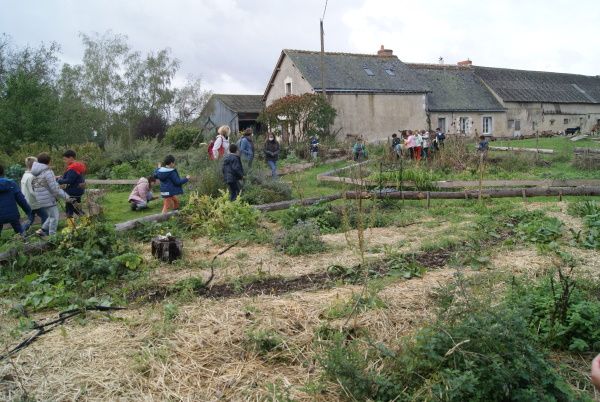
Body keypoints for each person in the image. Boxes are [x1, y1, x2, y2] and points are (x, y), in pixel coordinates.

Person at [31, 153, 69, 236]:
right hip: (48, 198)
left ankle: (42, 230)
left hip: (41, 198)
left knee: (52, 215)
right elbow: (55, 188)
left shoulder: (36, 171)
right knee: (54, 217)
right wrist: (67, 197)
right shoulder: (48, 171)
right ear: (49, 161)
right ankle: (52, 236)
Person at [0, 164, 32, 237]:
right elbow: (21, 200)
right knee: (20, 232)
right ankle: (25, 244)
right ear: (3, 172)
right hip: (12, 215)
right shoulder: (11, 183)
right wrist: (28, 211)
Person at [21, 156, 48, 231]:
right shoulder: (32, 177)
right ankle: (45, 233)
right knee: (45, 217)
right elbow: (33, 191)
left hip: (27, 201)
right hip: (35, 203)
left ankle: (20, 232)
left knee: (30, 219)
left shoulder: (25, 175)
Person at [57, 149, 86, 218]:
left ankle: (71, 226)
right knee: (77, 208)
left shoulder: (73, 167)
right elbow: (74, 178)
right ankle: (86, 221)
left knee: (69, 210)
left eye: (65, 159)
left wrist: (59, 180)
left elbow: (69, 180)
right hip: (78, 190)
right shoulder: (78, 165)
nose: (64, 161)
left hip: (72, 192)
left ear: (71, 158)